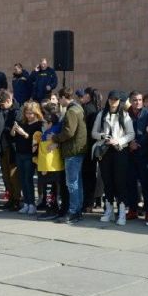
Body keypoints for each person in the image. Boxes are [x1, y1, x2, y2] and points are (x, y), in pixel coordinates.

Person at [91, 90, 135, 225]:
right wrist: (102, 136)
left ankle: (121, 212)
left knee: (120, 182)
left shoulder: (125, 115)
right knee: (107, 181)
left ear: (120, 101)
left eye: (116, 99)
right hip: (105, 151)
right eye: (111, 99)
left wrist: (119, 141)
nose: (113, 102)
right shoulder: (101, 114)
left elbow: (131, 134)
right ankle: (108, 210)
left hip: (120, 151)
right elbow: (93, 133)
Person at [49, 88, 87, 224]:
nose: (59, 101)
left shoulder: (71, 111)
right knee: (77, 182)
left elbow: (69, 132)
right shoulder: (78, 108)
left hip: (72, 151)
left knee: (72, 183)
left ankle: (73, 212)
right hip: (76, 150)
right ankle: (77, 211)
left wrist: (55, 138)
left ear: (65, 97)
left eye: (60, 98)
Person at [126, 91, 148, 221]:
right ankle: (132, 210)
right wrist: (129, 143)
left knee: (146, 185)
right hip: (130, 154)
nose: (137, 102)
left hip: (144, 154)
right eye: (134, 100)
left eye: (139, 100)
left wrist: (137, 143)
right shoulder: (126, 114)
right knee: (131, 184)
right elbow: (122, 131)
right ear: (130, 101)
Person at [12, 100, 44, 215]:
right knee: (22, 179)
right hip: (19, 153)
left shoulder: (39, 124)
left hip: (30, 155)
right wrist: (15, 130)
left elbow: (36, 141)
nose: (28, 115)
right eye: (27, 113)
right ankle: (26, 203)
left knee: (28, 179)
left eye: (31, 113)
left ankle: (32, 204)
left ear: (36, 113)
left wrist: (24, 133)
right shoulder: (23, 123)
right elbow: (14, 138)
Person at [36, 103, 66, 220]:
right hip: (56, 167)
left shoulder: (47, 135)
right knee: (54, 189)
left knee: (49, 190)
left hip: (48, 168)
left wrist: (42, 168)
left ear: (49, 123)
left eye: (44, 123)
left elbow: (44, 154)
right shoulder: (57, 130)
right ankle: (54, 209)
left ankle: (51, 210)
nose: (43, 125)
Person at [79, 88, 101, 213]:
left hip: (86, 146)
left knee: (86, 176)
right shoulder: (95, 108)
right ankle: (90, 203)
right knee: (91, 175)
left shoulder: (87, 108)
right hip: (92, 146)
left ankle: (87, 203)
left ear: (88, 95)